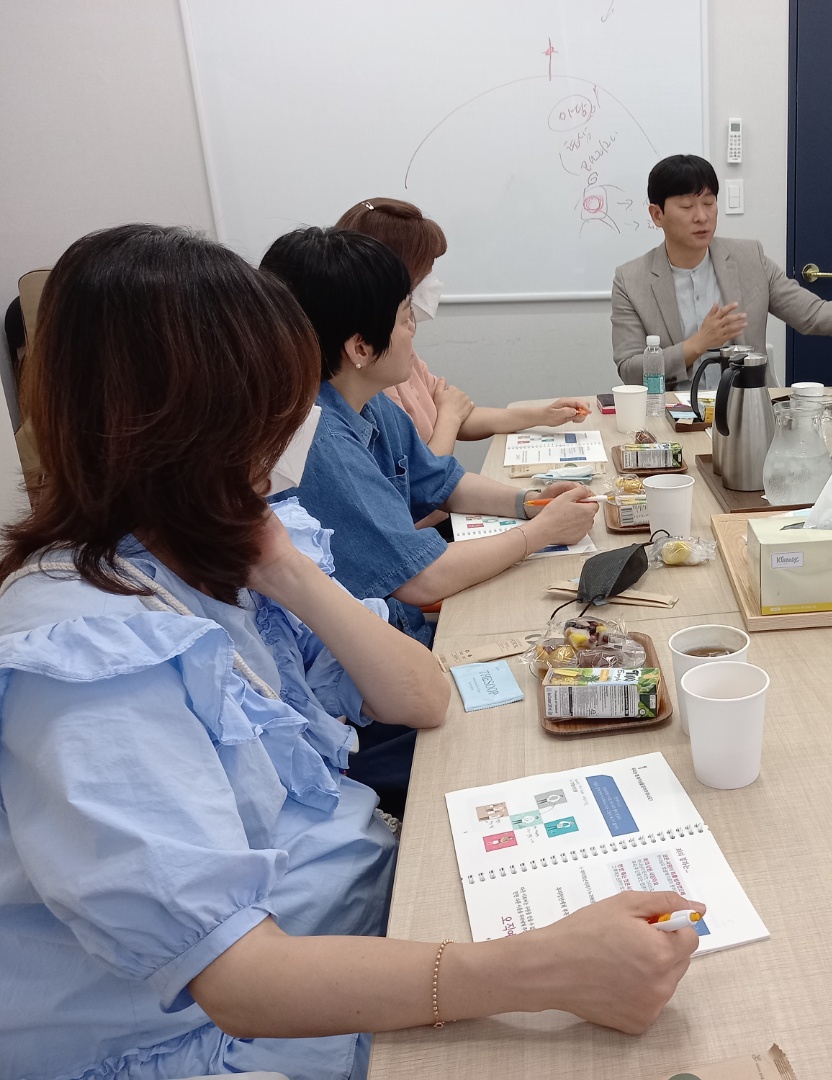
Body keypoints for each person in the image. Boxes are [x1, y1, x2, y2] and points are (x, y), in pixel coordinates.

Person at [0, 224, 701, 1080]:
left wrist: (287, 570)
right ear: (189, 426)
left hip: (366, 909)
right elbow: (240, 983)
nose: (299, 427)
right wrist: (538, 970)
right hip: (246, 1023)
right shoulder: (88, 653)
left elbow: (421, 697)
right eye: (275, 406)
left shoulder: (225, 548)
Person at [260, 226, 598, 650]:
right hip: (379, 652)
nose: (413, 330)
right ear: (360, 348)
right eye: (405, 318)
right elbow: (420, 578)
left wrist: (529, 503)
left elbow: (441, 481)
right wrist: (542, 532)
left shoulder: (366, 398)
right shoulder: (320, 440)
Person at [611, 154, 832, 389]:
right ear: (657, 215)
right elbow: (629, 369)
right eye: (687, 206)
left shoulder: (749, 258)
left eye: (709, 202)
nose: (701, 216)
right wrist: (696, 345)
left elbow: (815, 316)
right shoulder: (631, 279)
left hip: (747, 411)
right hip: (674, 416)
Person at [336, 197, 589, 457]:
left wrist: (543, 415)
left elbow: (459, 413)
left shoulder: (400, 352)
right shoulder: (375, 373)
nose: (431, 283)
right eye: (425, 273)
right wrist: (450, 415)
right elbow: (423, 471)